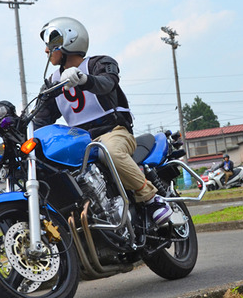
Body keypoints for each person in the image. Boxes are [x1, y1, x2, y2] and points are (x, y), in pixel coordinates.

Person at [34, 17, 172, 225]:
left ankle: (151, 198)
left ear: (70, 42)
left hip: (114, 132)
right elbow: (40, 119)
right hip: (81, 141)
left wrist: (84, 79)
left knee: (110, 151)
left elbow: (106, 84)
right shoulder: (52, 83)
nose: (46, 51)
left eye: (51, 45)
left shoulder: (99, 64)